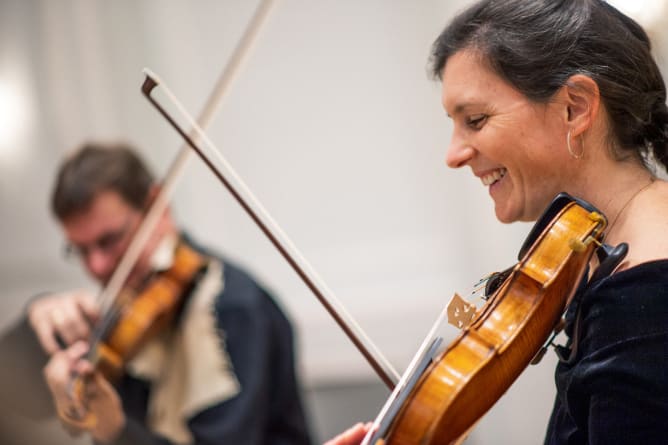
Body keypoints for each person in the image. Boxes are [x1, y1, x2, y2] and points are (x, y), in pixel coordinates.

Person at [326, 0, 668, 444]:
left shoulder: (643, 298)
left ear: (575, 108)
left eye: (476, 120)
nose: (453, 155)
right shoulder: (609, 255)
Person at [0, 142, 312, 445]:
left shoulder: (235, 308)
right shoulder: (122, 305)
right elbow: (13, 395)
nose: (97, 266)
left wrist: (116, 431)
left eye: (110, 240)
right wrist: (36, 323)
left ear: (156, 205)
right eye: (80, 250)